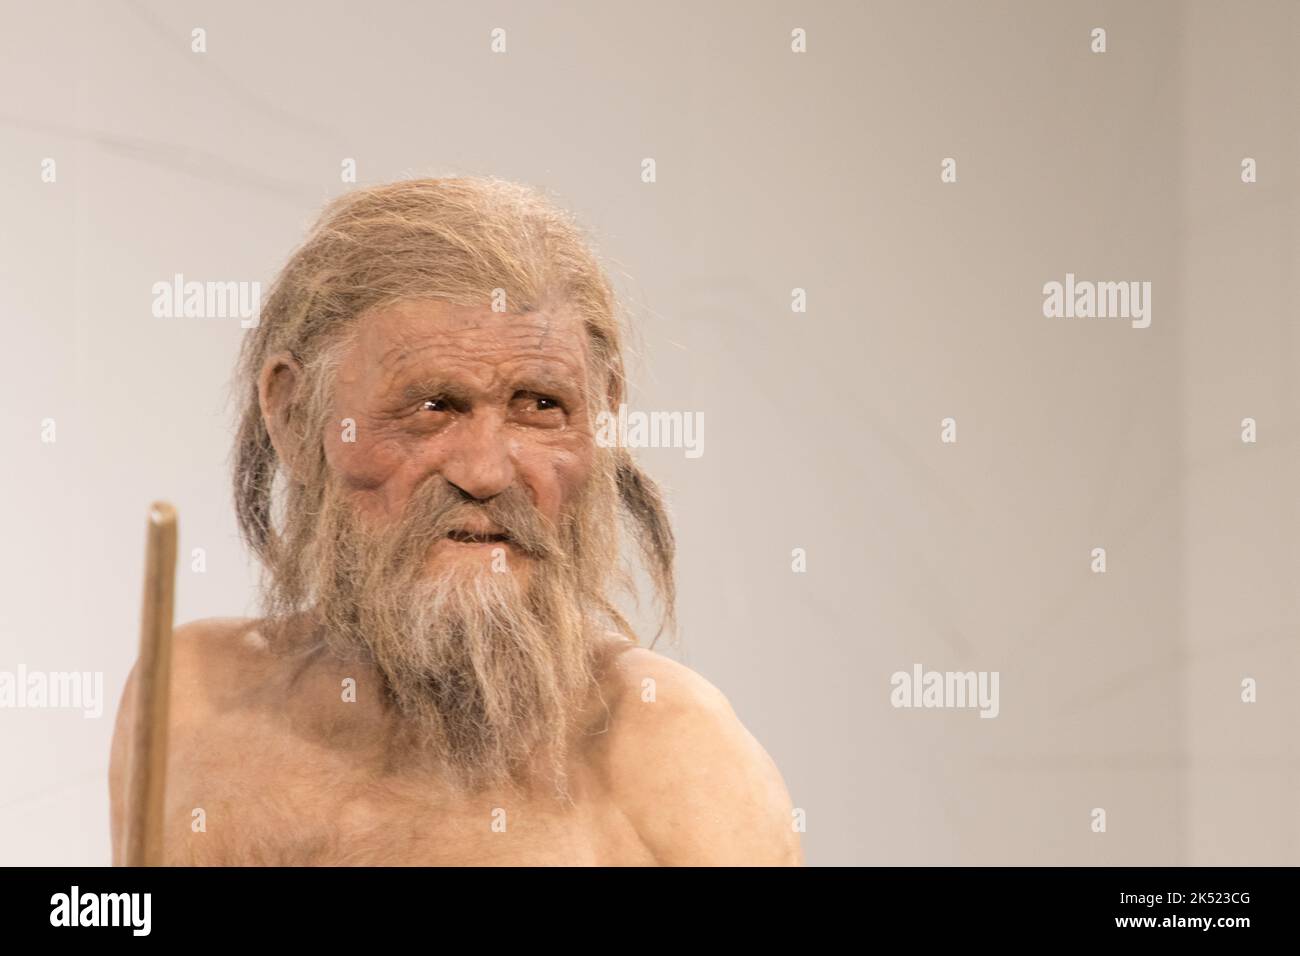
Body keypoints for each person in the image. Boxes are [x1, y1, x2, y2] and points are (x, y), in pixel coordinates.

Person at [109, 178, 802, 865]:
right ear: (293, 416)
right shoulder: (189, 697)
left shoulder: (674, 756)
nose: (487, 472)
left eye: (539, 405)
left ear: (604, 413)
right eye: (433, 406)